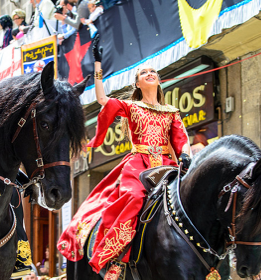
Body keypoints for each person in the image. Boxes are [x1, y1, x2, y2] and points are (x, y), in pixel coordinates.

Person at [57, 34, 191, 276]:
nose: (149, 73)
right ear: (137, 84)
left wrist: (186, 158)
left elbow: (181, 140)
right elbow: (101, 99)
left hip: (167, 165)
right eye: (143, 73)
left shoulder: (172, 111)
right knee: (133, 198)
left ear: (159, 80)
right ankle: (116, 258)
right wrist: (98, 65)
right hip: (138, 166)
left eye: (153, 71)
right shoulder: (131, 106)